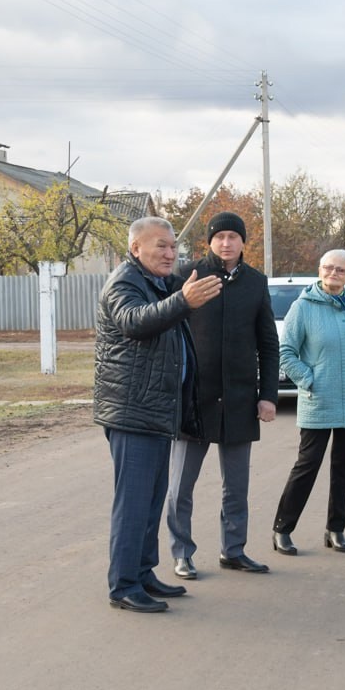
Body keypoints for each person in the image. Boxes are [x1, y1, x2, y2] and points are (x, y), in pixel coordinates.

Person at [93, 216, 223, 612]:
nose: (170, 253)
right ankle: (124, 585)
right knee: (133, 503)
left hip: (157, 410)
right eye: (160, 246)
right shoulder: (124, 283)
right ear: (136, 249)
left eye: (173, 247)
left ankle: (143, 572)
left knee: (151, 501)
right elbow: (134, 323)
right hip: (132, 411)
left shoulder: (159, 283)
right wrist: (184, 300)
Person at [165, 211, 279, 579]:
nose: (226, 243)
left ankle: (234, 550)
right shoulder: (187, 276)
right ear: (209, 241)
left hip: (239, 399)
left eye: (233, 236)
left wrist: (268, 395)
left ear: (244, 242)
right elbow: (166, 328)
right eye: (220, 236)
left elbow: (268, 343)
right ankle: (182, 552)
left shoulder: (256, 283)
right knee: (182, 484)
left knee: (237, 485)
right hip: (193, 398)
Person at [272, 249, 345, 556]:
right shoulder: (302, 307)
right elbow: (285, 352)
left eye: (341, 270)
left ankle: (336, 529)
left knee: (344, 467)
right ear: (319, 270)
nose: (334, 273)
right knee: (307, 466)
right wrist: (309, 379)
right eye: (328, 268)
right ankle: (282, 529)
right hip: (318, 400)